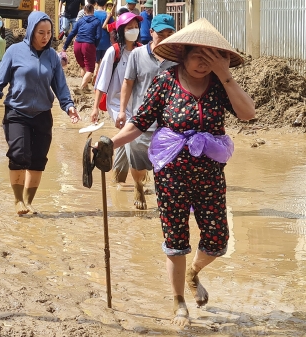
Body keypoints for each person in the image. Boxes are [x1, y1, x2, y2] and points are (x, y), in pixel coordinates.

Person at [97, 18, 255, 326]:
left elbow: (248, 114)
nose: (202, 63)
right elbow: (139, 123)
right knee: (175, 239)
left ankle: (194, 273)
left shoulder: (220, 85)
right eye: (198, 55)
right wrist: (110, 144)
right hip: (171, 174)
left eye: (211, 57)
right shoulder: (166, 81)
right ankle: (179, 301)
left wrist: (226, 76)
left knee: (217, 240)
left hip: (210, 175)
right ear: (183, 53)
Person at [0, 11, 80, 215]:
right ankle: (17, 200)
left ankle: (28, 202)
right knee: (19, 155)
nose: (45, 37)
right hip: (17, 113)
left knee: (37, 160)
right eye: (40, 32)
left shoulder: (52, 56)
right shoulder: (14, 52)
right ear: (31, 32)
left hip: (43, 115)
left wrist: (69, 107)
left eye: (49, 32)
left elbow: (60, 86)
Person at [112, 14, 176, 210]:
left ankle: (165, 198)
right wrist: (122, 111)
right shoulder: (137, 55)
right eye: (160, 34)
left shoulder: (178, 59)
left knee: (167, 166)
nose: (164, 38)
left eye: (169, 34)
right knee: (138, 164)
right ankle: (139, 186)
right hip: (140, 120)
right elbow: (128, 83)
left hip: (168, 123)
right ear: (151, 33)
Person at [92, 12, 142, 186]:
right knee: (132, 135)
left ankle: (118, 179)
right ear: (121, 31)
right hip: (115, 104)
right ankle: (138, 182)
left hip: (136, 104)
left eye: (136, 27)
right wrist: (95, 107)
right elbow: (101, 82)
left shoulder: (141, 51)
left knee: (126, 138)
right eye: (129, 28)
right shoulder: (113, 52)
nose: (133, 31)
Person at [63, 4, 101, 92]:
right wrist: (94, 45)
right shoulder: (97, 21)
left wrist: (65, 47)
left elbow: (72, 34)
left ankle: (85, 87)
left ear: (84, 11)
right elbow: (98, 36)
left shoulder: (80, 21)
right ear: (93, 11)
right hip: (88, 45)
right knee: (90, 70)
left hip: (77, 44)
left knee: (83, 66)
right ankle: (81, 88)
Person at [93, 0, 115, 68]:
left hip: (95, 42)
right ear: (105, 4)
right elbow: (112, 29)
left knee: (96, 63)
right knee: (104, 63)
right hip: (106, 42)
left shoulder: (93, 14)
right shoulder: (108, 15)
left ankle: (95, 77)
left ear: (96, 3)